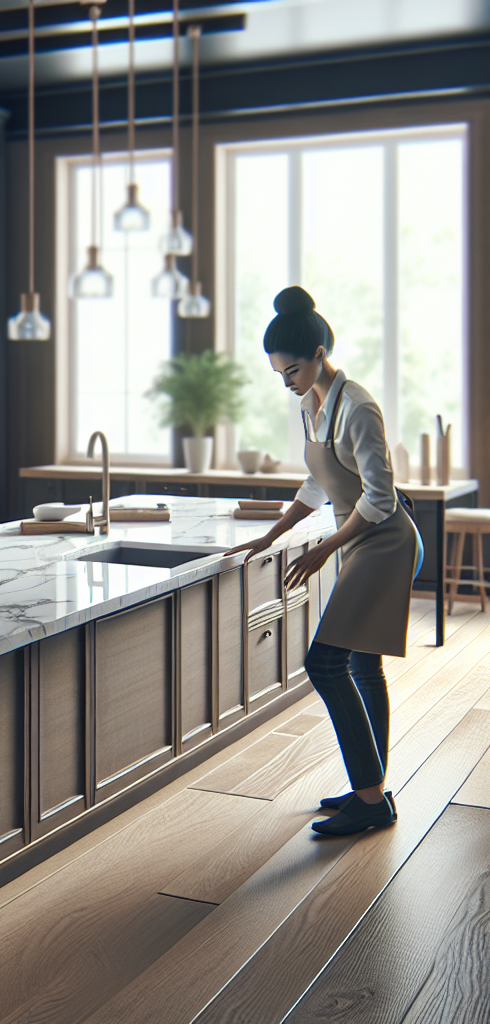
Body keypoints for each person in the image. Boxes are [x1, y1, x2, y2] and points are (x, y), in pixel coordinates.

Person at [226, 285, 421, 837]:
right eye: (279, 376)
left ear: (317, 354)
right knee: (361, 665)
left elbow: (379, 499)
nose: (286, 384)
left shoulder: (357, 406)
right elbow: (319, 481)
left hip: (383, 542)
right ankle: (372, 787)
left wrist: (325, 549)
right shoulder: (316, 404)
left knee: (325, 663)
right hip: (358, 539)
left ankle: (371, 801)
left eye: (290, 372)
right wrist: (272, 535)